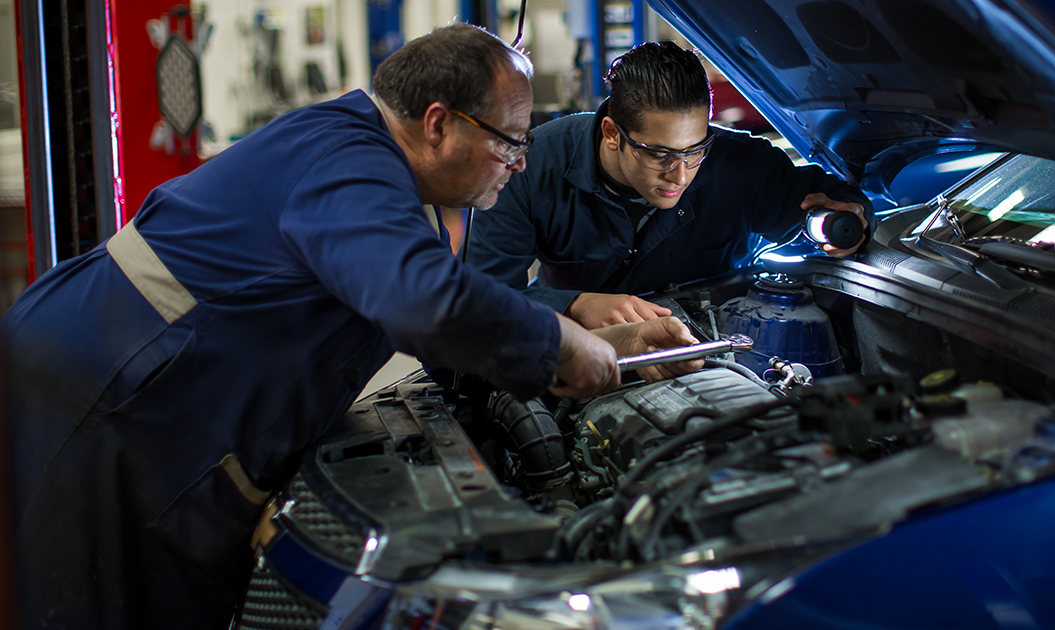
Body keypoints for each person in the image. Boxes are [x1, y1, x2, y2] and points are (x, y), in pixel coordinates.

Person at [1, 24, 700, 630]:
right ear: (438, 123)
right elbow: (424, 303)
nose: (520, 163)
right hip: (105, 398)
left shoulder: (372, 170)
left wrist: (603, 345)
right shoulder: (349, 164)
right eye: (510, 142)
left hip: (146, 399)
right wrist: (560, 341)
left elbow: (437, 322)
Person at [468, 41, 875, 330]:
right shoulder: (531, 168)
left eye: (695, 150)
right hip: (579, 350)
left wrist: (851, 217)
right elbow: (480, 297)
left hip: (711, 345)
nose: (680, 175)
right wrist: (573, 305)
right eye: (659, 154)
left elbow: (839, 200)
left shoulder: (740, 165)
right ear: (612, 133)